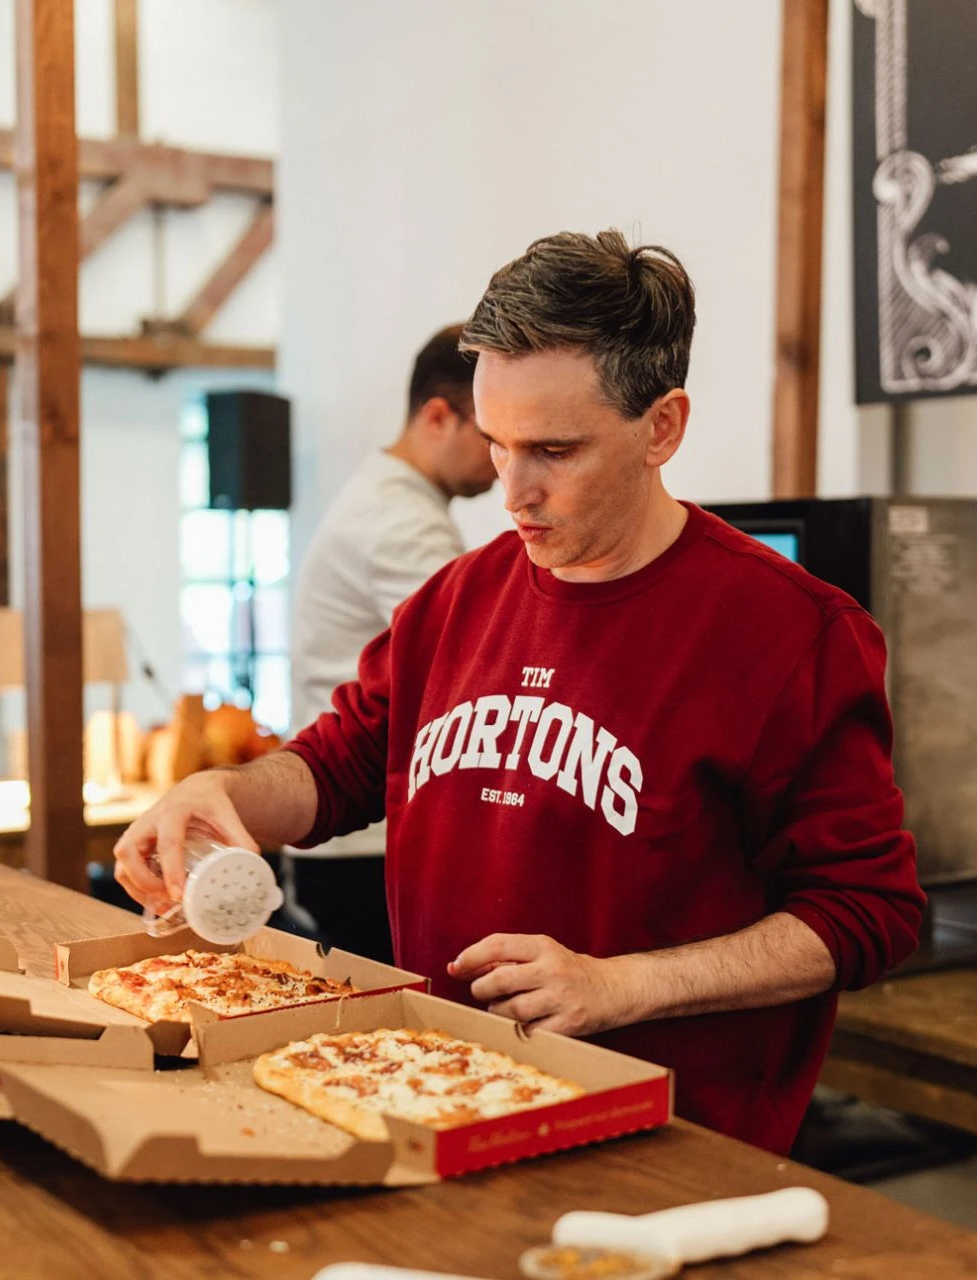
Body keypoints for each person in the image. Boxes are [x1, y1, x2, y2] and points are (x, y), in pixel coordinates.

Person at [116, 230, 924, 1153]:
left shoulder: (791, 633)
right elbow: (342, 766)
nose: (514, 491)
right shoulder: (454, 602)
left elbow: (869, 911)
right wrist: (224, 796)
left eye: (553, 450)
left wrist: (624, 984)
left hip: (670, 1143)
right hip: (441, 1094)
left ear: (662, 426)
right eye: (498, 446)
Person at [286, 323, 499, 964]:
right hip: (362, 832)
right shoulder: (400, 522)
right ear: (439, 416)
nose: (507, 461)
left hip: (351, 830)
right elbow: (479, 665)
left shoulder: (389, 498)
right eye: (493, 436)